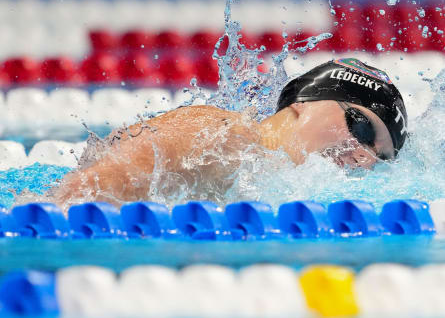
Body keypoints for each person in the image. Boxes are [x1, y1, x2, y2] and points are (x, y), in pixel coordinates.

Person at [50, 58, 408, 207]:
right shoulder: (222, 135)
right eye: (361, 127)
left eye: (379, 158)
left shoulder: (264, 185)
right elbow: (79, 195)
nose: (363, 157)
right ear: (304, 102)